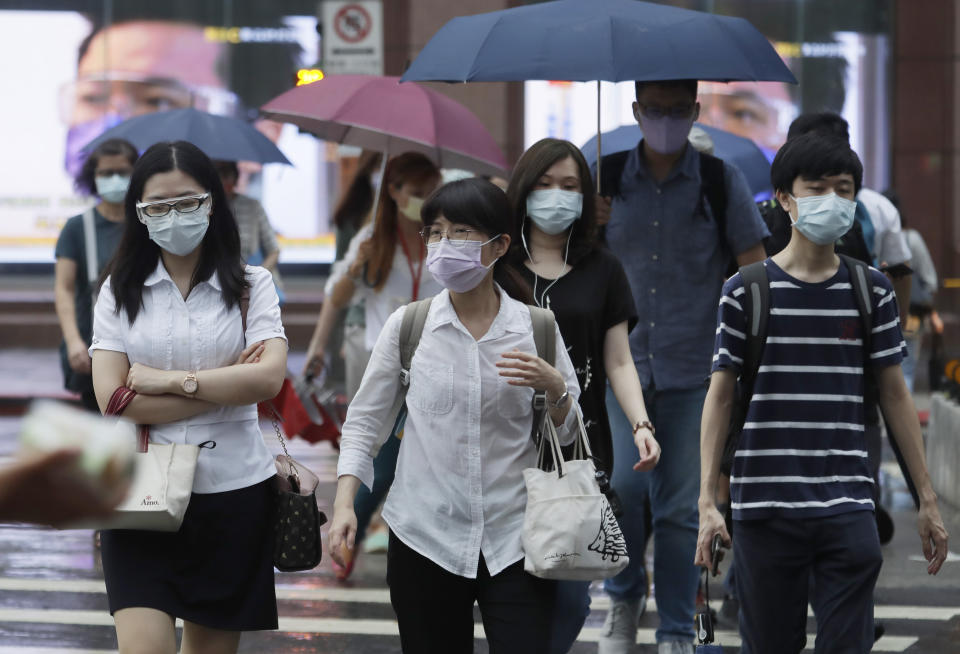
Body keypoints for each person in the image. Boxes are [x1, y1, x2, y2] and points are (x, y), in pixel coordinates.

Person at [697, 133, 949, 653]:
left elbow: (895, 394)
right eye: (817, 188)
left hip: (847, 504)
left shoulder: (871, 289)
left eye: (844, 189)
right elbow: (720, 396)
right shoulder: (745, 290)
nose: (833, 200)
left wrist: (927, 498)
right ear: (784, 198)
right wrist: (707, 500)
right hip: (765, 508)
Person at [329, 177, 580, 654]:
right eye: (436, 232)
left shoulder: (536, 328)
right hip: (425, 534)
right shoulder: (410, 326)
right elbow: (365, 423)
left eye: (461, 232)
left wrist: (556, 389)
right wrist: (345, 505)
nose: (445, 245)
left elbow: (570, 434)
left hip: (516, 539)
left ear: (500, 245)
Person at [89, 141, 287, 654]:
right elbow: (112, 399)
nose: (173, 216)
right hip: (140, 490)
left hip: (235, 491)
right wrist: (226, 384)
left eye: (187, 202)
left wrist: (168, 381)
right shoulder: (118, 289)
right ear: (139, 214)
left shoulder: (252, 285)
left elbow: (268, 381)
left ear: (212, 202)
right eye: (158, 206)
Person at [595, 79, 769, 654]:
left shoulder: (721, 182)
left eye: (676, 111)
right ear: (636, 110)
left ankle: (673, 626)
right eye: (654, 110)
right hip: (622, 368)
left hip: (698, 369)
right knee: (620, 491)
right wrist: (587, 224)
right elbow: (570, 262)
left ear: (695, 112)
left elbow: (754, 269)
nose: (664, 120)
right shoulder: (607, 177)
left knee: (678, 508)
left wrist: (752, 352)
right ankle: (623, 597)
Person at [505, 138, 661, 652]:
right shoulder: (498, 268)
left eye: (569, 186)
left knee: (570, 598)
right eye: (545, 184)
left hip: (579, 451)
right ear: (524, 191)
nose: (556, 196)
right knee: (515, 593)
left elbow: (618, 359)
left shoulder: (603, 268)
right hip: (502, 450)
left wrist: (640, 423)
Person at [303, 152, 443, 578]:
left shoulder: (443, 233)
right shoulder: (372, 237)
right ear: (394, 192)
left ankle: (395, 543)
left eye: (431, 191)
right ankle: (350, 534)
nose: (425, 200)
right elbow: (336, 295)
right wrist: (317, 347)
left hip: (437, 361)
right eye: (417, 193)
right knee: (376, 459)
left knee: (420, 461)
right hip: (384, 366)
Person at [55, 138, 139, 412]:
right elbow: (64, 288)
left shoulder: (147, 222)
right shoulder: (77, 228)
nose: (114, 179)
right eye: (105, 173)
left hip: (142, 346)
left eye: (123, 172)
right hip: (93, 347)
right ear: (93, 177)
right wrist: (73, 341)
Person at [884, 190, 938, 392]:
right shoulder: (912, 239)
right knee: (905, 368)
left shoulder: (872, 236)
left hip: (876, 314)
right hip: (911, 313)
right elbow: (930, 279)